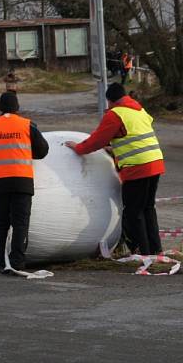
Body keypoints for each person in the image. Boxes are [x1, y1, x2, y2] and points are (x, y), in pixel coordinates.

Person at [64, 82, 165, 256]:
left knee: (133, 212)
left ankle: (142, 253)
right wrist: (115, 149)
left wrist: (78, 148)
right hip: (155, 162)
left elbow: (97, 140)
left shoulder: (115, 114)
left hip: (137, 167)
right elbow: (134, 136)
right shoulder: (139, 109)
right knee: (148, 208)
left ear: (109, 101)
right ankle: (156, 251)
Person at [0, 92, 49, 273]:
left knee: (1, 223)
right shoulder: (27, 125)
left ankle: (2, 262)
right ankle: (17, 262)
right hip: (21, 181)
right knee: (20, 223)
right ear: (17, 108)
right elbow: (43, 150)